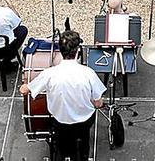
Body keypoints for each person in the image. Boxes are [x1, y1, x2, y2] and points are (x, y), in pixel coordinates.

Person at [19, 30, 105, 161]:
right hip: (84, 123)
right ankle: (83, 154)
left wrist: (24, 84)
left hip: (60, 122)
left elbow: (25, 90)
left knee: (62, 147)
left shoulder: (49, 73)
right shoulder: (89, 73)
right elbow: (98, 103)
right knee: (83, 147)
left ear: (60, 50)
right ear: (77, 51)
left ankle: (64, 155)